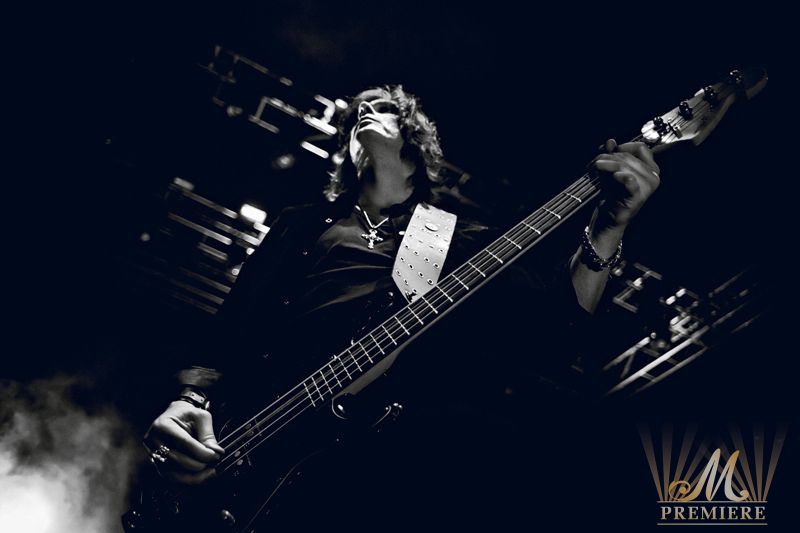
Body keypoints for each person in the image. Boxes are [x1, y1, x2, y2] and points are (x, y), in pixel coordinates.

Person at [140, 84, 660, 523]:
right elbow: (230, 332)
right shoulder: (300, 223)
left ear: (414, 140)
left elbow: (556, 333)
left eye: (383, 106)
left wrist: (607, 227)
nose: (365, 110)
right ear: (348, 150)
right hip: (237, 442)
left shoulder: (454, 240)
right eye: (356, 114)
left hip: (352, 482)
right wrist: (190, 402)